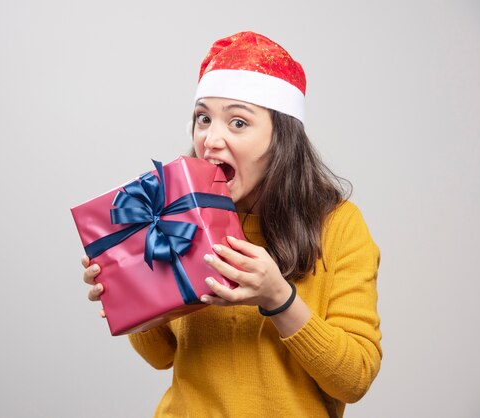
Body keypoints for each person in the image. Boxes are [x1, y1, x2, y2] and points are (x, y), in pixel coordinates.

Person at [82, 31, 381, 418]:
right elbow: (162, 357)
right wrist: (132, 295)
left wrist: (279, 298)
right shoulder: (175, 215)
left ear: (282, 139)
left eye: (238, 122)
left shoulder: (339, 226)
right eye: (203, 118)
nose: (210, 139)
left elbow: (354, 379)